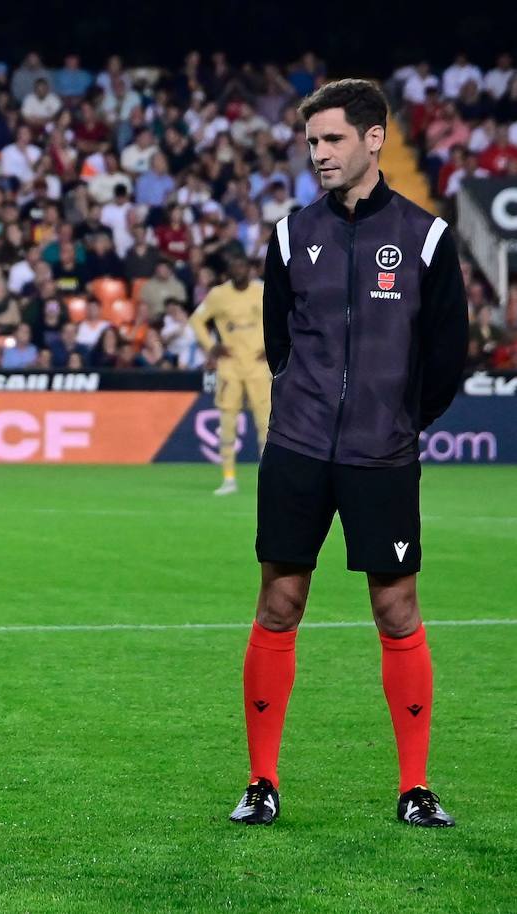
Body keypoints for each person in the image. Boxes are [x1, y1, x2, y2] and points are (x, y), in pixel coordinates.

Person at [230, 79, 467, 828]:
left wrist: (391, 419)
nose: (319, 154)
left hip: (382, 454)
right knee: (279, 602)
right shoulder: (290, 234)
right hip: (298, 450)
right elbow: (277, 343)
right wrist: (308, 407)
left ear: (374, 139)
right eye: (312, 143)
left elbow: (447, 358)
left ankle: (415, 786)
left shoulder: (427, 238)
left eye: (332, 139)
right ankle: (262, 781)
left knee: (397, 610)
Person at [190, 254, 270, 495]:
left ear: (250, 269)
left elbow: (285, 316)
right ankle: (228, 478)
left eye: (242, 265)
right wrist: (211, 346)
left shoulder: (263, 291)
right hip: (230, 366)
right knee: (227, 421)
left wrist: (273, 347)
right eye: (234, 266)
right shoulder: (218, 295)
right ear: (228, 271)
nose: (238, 270)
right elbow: (196, 320)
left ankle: (268, 480)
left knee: (266, 425)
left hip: (257, 365)